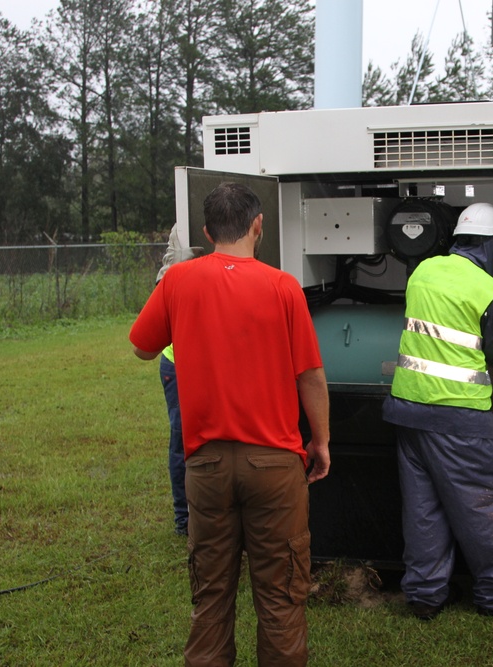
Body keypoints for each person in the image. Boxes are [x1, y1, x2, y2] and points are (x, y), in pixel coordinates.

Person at [130, 182, 330, 666]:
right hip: (276, 466)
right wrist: (320, 440)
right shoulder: (283, 287)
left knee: (211, 599)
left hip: (207, 466)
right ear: (258, 225)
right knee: (281, 599)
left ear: (206, 231)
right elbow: (310, 375)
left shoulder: (177, 281)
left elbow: (141, 346)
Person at [383, 202, 493, 619]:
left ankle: (425, 596)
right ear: (492, 246)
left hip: (408, 411)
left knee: (423, 509)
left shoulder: (423, 272)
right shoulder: (488, 290)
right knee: (488, 505)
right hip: (459, 419)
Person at [156, 224, 200, 537]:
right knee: (183, 440)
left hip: (217, 361)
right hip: (179, 361)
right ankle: (184, 520)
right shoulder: (183, 227)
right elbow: (163, 287)